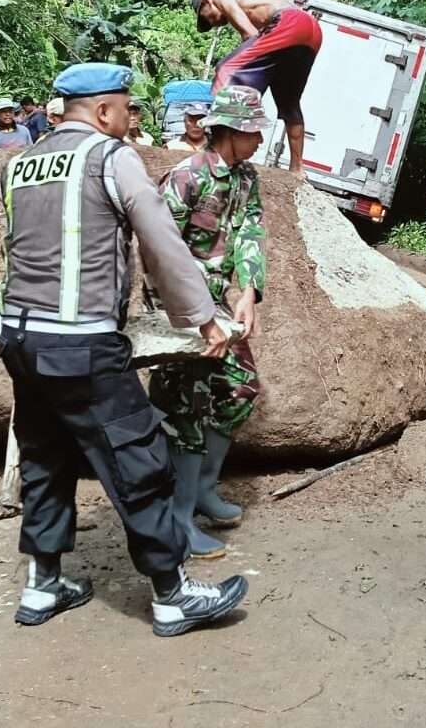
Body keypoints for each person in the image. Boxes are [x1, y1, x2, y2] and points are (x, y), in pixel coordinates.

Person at [0, 61, 249, 637]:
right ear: (105, 111)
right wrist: (203, 319)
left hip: (19, 338)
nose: (130, 118)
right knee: (139, 460)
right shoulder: (110, 158)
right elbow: (162, 241)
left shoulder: (19, 165)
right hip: (82, 345)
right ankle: (172, 594)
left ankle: (42, 584)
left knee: (45, 458)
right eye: (128, 108)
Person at [148, 86, 269, 559]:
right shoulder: (185, 177)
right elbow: (158, 252)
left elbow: (250, 231)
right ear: (230, 130)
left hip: (219, 309)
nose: (260, 139)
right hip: (179, 313)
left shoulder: (245, 178)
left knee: (241, 390)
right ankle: (177, 521)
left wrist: (249, 292)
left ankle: (202, 489)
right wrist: (193, 319)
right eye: (254, 130)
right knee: (187, 413)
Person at [192, 0, 322, 174]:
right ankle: (297, 168)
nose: (211, 24)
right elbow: (258, 43)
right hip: (311, 31)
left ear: (206, 2)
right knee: (288, 103)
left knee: (226, 69)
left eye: (205, 17)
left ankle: (219, 147)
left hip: (290, 23)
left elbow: (249, 34)